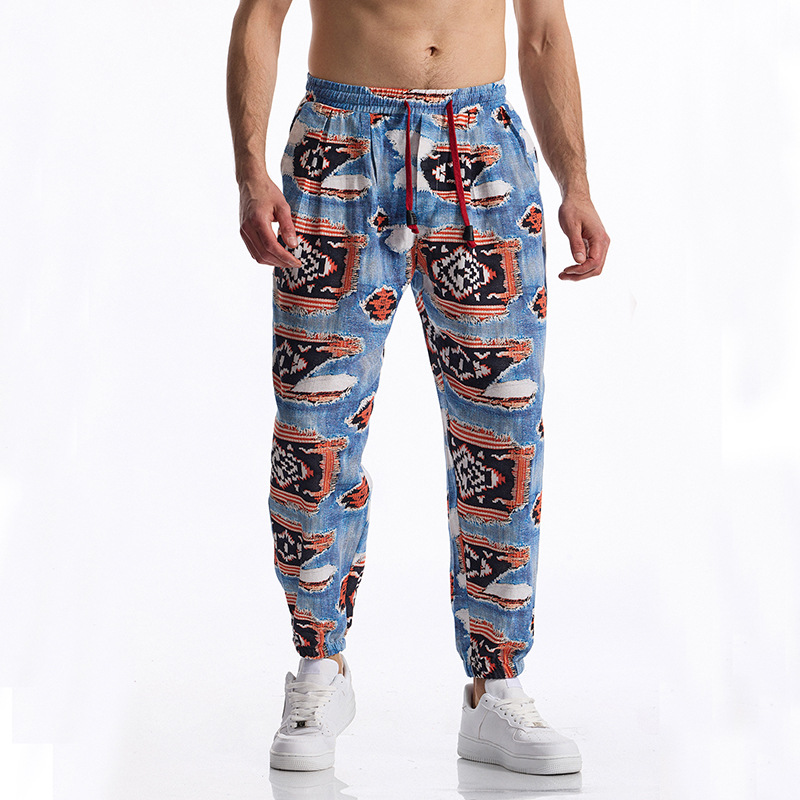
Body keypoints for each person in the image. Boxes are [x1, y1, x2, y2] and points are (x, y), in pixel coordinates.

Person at [226, 0, 609, 777]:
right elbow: (261, 16)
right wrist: (249, 170)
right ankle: (319, 667)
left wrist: (576, 182)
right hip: (338, 147)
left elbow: (541, 31)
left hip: (482, 151)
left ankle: (495, 688)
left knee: (502, 433)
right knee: (314, 428)